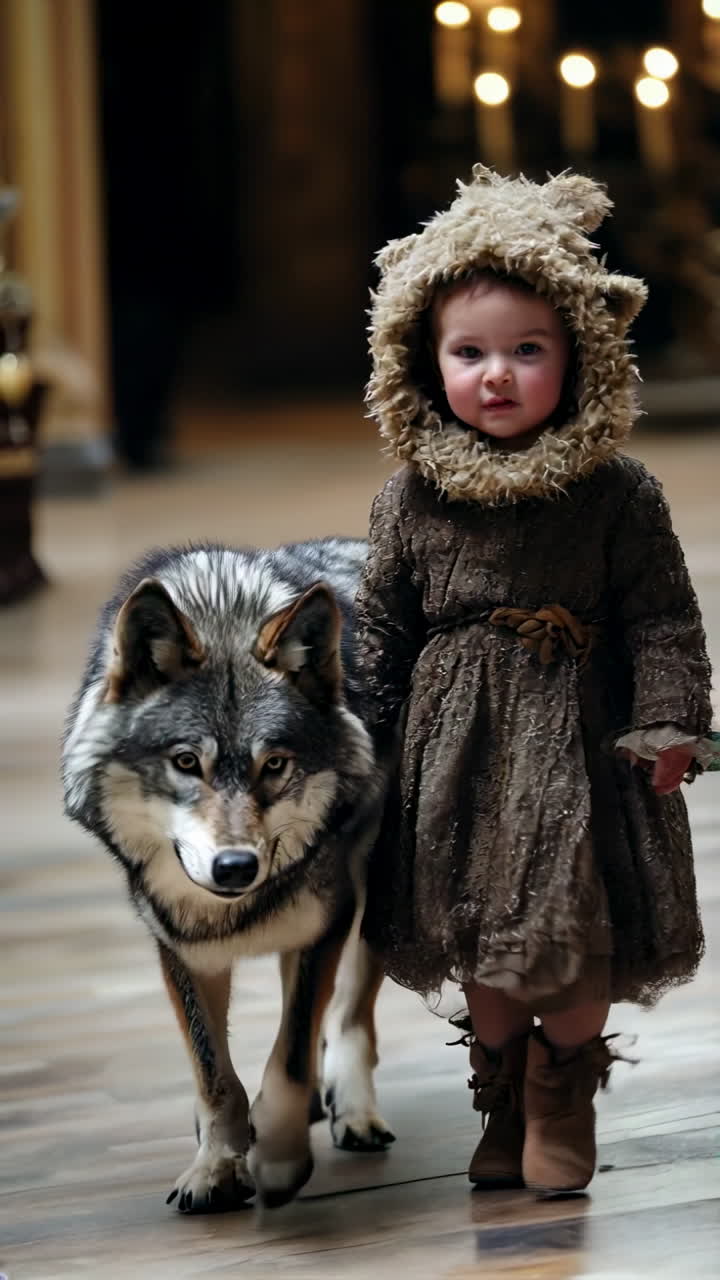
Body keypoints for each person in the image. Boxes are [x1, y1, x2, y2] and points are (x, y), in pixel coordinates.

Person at [355, 167, 716, 1195]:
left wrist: (669, 718)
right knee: (482, 934)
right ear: (422, 361)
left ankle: (563, 1091)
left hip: (583, 745)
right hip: (455, 756)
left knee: (573, 931)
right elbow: (381, 629)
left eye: (529, 350)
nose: (497, 376)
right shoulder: (412, 500)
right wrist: (364, 742)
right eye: (468, 353)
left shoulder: (617, 494)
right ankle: (504, 1088)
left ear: (583, 353)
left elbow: (662, 616)